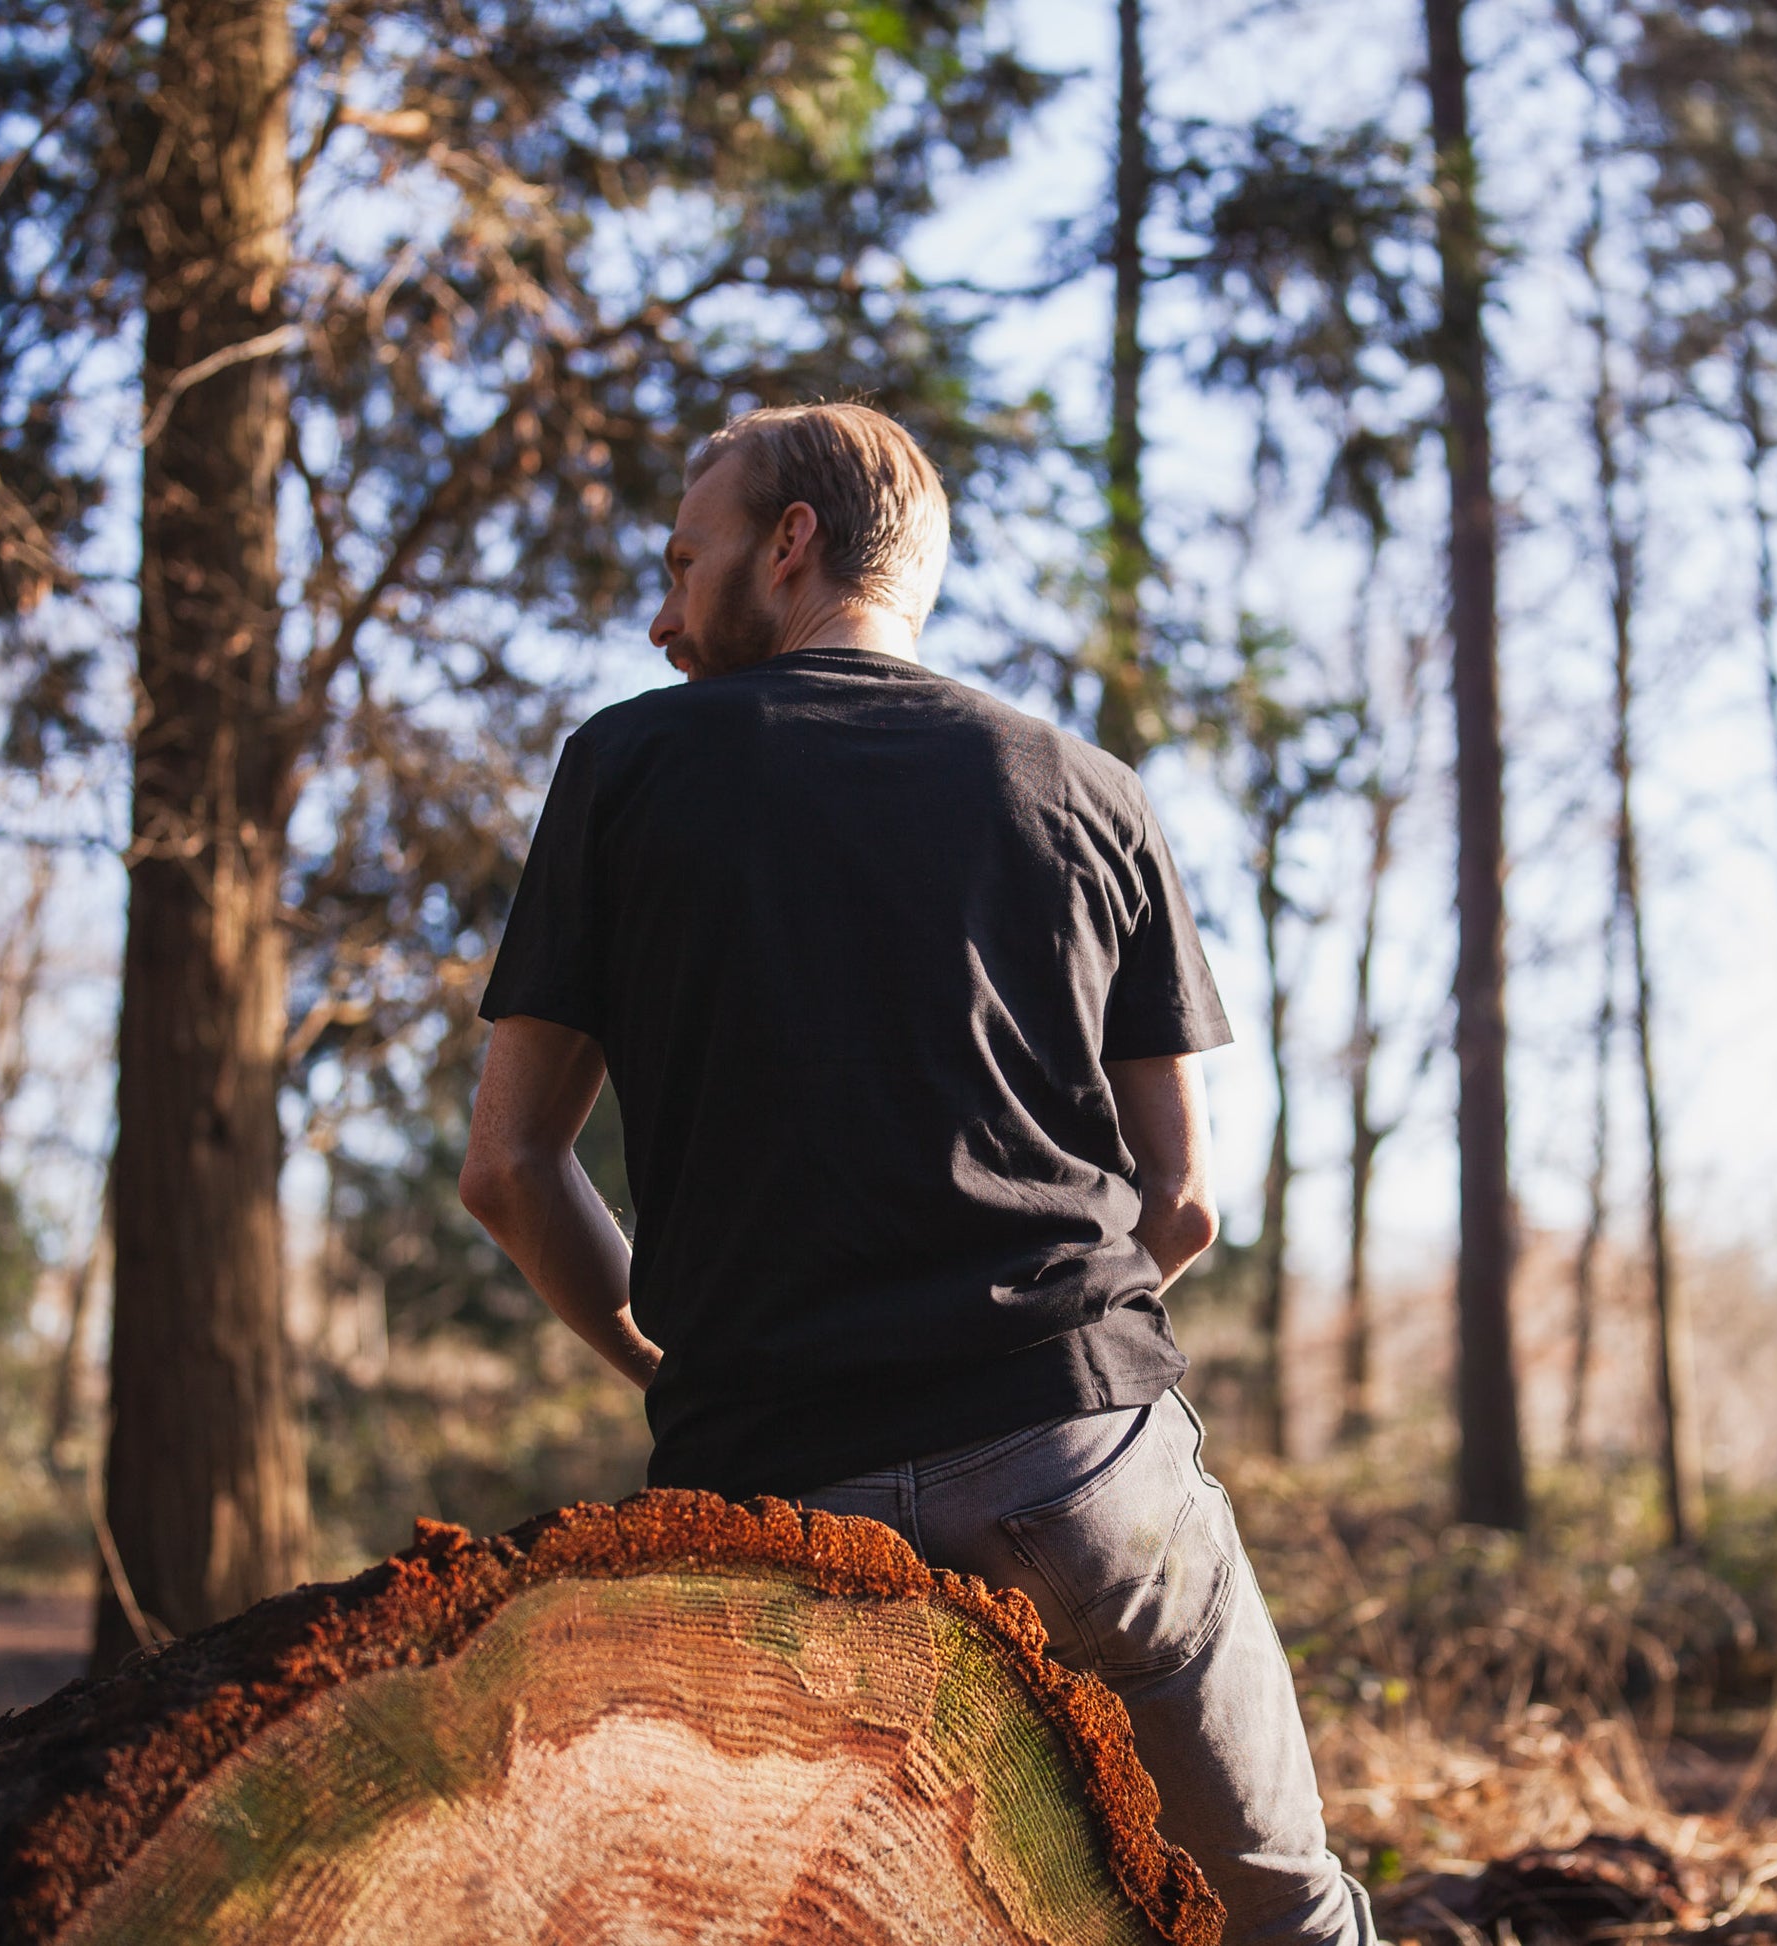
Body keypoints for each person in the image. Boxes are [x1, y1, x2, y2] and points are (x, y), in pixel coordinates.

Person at [459, 402, 1375, 1946]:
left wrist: (665, 1359)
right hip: (1073, 1474)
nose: (662, 614)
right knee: (1271, 1909)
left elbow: (507, 1165)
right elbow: (1184, 1200)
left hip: (765, 1498)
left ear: (791, 541)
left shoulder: (622, 769)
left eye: (685, 564)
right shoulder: (1086, 789)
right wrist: (1041, 1360)